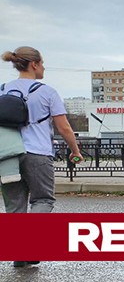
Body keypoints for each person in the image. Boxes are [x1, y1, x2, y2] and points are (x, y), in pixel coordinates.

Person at [1, 47, 83, 268]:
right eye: (43, 63)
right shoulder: (47, 92)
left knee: (15, 206)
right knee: (43, 200)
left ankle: (19, 254)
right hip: (37, 153)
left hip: (7, 156)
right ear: (34, 64)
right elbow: (64, 128)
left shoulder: (2, 90)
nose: (44, 67)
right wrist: (75, 151)